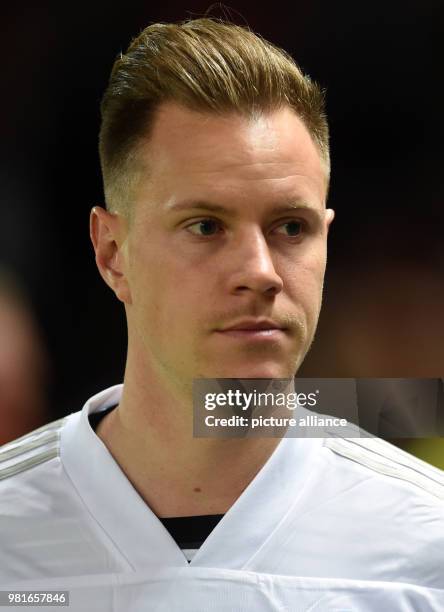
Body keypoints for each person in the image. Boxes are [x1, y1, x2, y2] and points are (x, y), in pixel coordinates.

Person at [0, 18, 443, 611]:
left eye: (291, 227)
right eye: (206, 226)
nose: (260, 271)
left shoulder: (427, 542)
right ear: (111, 253)